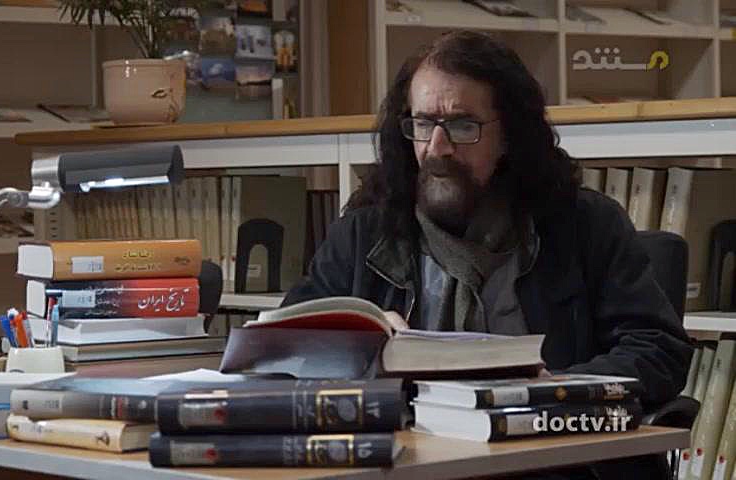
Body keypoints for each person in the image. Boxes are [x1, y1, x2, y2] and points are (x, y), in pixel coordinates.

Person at [284, 31, 692, 479]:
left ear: (510, 135)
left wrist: (558, 391)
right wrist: (363, 338)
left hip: (555, 462)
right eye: (423, 124)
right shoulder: (365, 234)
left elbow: (657, 350)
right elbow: (284, 352)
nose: (437, 147)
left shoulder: (584, 226)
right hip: (404, 465)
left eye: (463, 126)